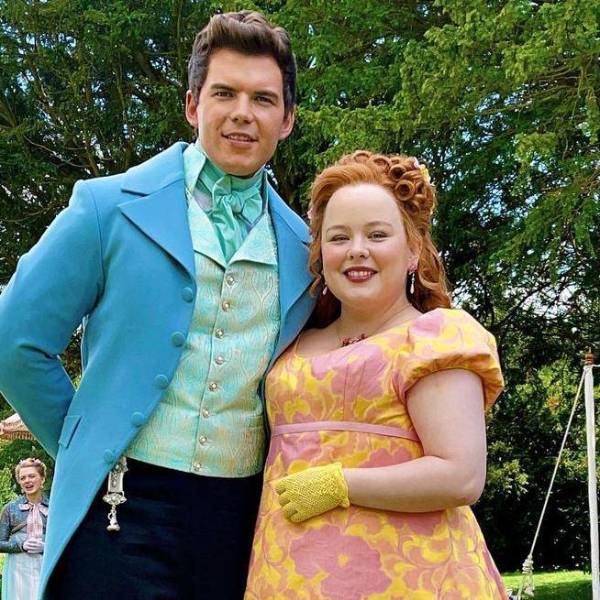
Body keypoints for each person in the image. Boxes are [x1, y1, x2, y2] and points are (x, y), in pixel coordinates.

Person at [0, 10, 315, 600]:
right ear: (193, 105)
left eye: (263, 99)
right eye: (224, 93)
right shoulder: (106, 208)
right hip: (117, 511)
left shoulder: (307, 249)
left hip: (240, 520)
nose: (242, 112)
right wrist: (84, 444)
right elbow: (13, 339)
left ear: (287, 119)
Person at [245, 151, 508, 599]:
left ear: (413, 251)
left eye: (377, 234)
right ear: (321, 254)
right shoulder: (292, 344)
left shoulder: (434, 338)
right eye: (339, 237)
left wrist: (339, 484)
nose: (357, 249)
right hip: (290, 578)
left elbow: (461, 475)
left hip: (410, 581)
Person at [0, 458, 48, 600]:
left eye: (32, 476)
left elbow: (63, 542)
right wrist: (21, 545)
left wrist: (46, 547)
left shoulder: (54, 507)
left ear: (42, 479)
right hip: (18, 568)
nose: (27, 481)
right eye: (23, 478)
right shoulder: (10, 509)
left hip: (45, 565)